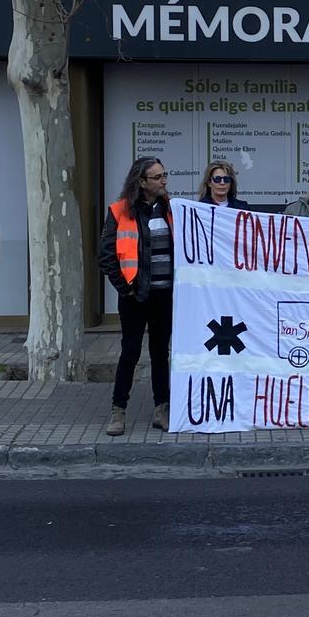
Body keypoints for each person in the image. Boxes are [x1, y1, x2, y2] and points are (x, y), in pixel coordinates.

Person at [98, 157, 174, 436]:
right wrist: (125, 287)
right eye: (157, 177)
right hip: (135, 296)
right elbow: (106, 256)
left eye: (164, 176)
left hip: (164, 294)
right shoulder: (120, 211)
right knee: (130, 353)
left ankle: (161, 409)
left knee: (160, 353)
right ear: (141, 182)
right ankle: (118, 411)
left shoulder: (172, 209)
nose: (164, 181)